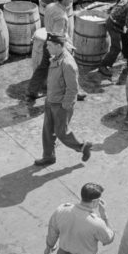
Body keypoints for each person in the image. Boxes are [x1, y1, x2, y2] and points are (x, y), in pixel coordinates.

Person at [34, 34, 92, 166]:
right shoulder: (57, 57)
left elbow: (73, 88)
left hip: (60, 104)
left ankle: (82, 147)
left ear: (59, 46)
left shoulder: (67, 64)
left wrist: (66, 106)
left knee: (61, 132)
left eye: (49, 45)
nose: (47, 47)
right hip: (51, 100)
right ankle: (48, 156)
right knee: (47, 131)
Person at [27, 0, 86, 101]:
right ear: (63, 0)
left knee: (43, 68)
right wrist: (66, 48)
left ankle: (32, 91)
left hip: (47, 42)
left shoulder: (50, 6)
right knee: (70, 69)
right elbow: (57, 35)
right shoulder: (61, 17)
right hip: (57, 45)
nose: (71, 1)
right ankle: (74, 92)